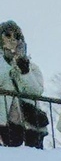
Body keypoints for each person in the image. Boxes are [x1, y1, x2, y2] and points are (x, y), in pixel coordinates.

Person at [0, 20, 46, 148]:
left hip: (28, 122)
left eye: (17, 37)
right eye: (8, 35)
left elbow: (37, 91)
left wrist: (24, 70)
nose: (12, 39)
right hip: (4, 121)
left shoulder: (31, 67)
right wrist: (6, 60)